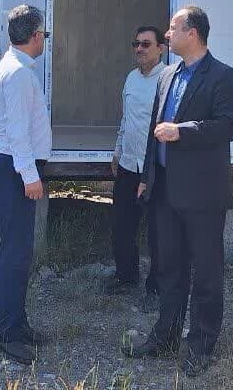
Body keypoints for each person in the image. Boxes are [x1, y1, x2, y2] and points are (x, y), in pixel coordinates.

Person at [121, 6, 233, 378]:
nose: (167, 34)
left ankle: (201, 345)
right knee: (169, 269)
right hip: (165, 191)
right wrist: (147, 175)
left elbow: (230, 126)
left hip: (203, 194)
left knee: (206, 273)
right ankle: (166, 337)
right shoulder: (167, 75)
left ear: (193, 33)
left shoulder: (222, 76)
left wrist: (183, 131)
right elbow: (154, 130)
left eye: (173, 28)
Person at [0, 4, 52, 365]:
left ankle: (17, 322)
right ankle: (5, 332)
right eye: (44, 34)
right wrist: (30, 176)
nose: (44, 40)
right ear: (35, 36)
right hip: (14, 169)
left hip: (14, 168)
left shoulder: (17, 67)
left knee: (19, 251)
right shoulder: (18, 73)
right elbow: (17, 134)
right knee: (14, 253)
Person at [106, 26, 167, 305]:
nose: (139, 49)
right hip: (128, 165)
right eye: (136, 44)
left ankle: (157, 287)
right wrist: (118, 151)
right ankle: (126, 276)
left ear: (160, 49)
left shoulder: (167, 80)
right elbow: (126, 119)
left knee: (157, 231)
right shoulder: (131, 78)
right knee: (122, 225)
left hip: (154, 169)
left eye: (146, 44)